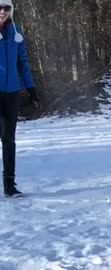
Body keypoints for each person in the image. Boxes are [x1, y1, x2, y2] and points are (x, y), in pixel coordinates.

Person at [0, 0, 39, 197]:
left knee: (8, 139)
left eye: (6, 8)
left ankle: (9, 185)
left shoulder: (16, 34)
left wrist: (30, 87)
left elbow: (23, 63)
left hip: (12, 92)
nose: (2, 11)